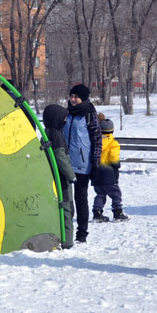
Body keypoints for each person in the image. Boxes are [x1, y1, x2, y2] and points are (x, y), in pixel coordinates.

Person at [62, 84, 102, 244]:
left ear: (83, 98)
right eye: (71, 96)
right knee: (65, 197)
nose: (72, 99)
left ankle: (82, 232)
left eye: (76, 97)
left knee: (80, 199)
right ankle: (66, 229)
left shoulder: (90, 115)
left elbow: (97, 140)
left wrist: (95, 164)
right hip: (66, 163)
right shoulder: (67, 114)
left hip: (83, 165)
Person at [42, 104, 76, 249]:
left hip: (54, 178)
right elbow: (60, 157)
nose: (65, 121)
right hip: (62, 179)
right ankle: (67, 242)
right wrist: (71, 175)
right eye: (64, 118)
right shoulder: (56, 135)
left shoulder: (48, 132)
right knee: (67, 209)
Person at [92, 114, 129, 223]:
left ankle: (97, 213)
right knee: (116, 194)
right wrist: (117, 165)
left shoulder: (95, 142)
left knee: (100, 194)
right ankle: (118, 213)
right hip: (109, 174)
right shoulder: (113, 143)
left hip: (96, 174)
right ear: (112, 131)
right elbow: (113, 157)